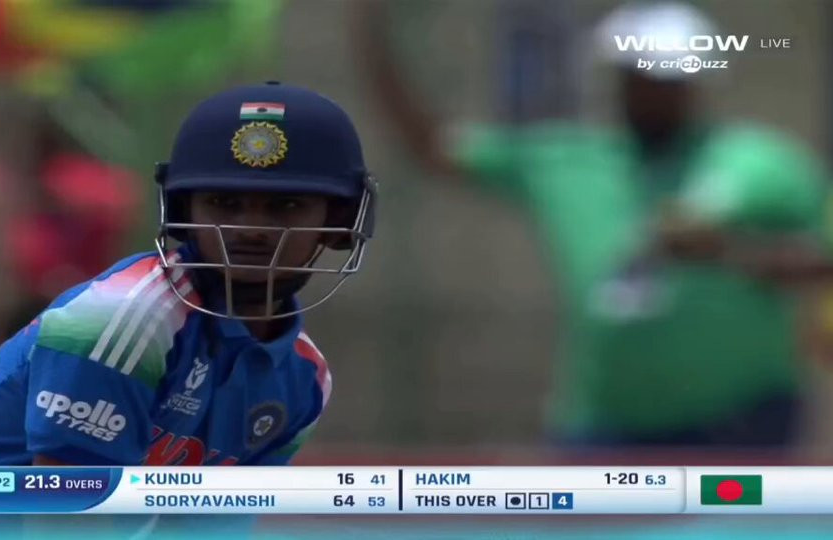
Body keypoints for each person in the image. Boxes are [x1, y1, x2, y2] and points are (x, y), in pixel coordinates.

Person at [0, 81, 375, 538]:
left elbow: (208, 529)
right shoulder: (124, 319)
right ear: (181, 209)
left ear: (342, 222)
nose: (252, 229)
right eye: (224, 203)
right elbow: (64, 521)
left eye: (286, 207)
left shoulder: (305, 380)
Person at [356, 0, 832, 450]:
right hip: (603, 427)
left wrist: (727, 253)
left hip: (739, 421)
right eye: (640, 76)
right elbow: (435, 148)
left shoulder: (762, 162)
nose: (653, 90)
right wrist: (373, 39)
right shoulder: (568, 161)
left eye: (667, 78)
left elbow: (822, 262)